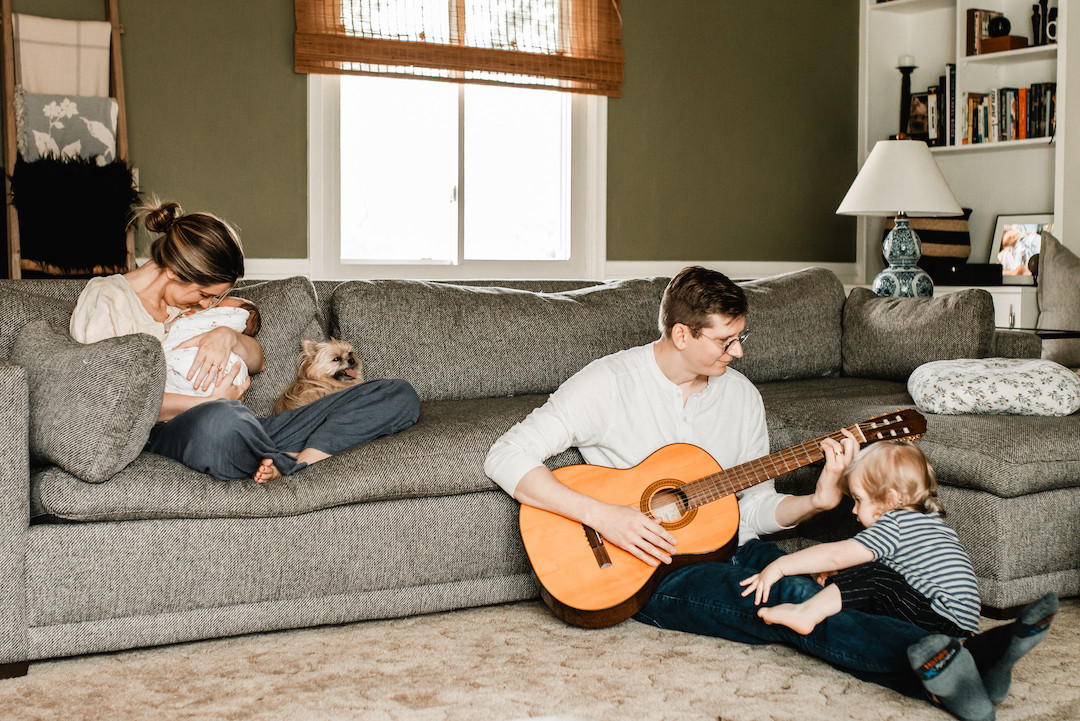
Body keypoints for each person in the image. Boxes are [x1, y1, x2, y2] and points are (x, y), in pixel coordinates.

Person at [485, 266, 1056, 721]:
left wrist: (817, 502)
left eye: (742, 338)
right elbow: (505, 455)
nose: (739, 354)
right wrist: (603, 515)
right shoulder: (607, 383)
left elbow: (752, 507)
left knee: (819, 593)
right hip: (646, 570)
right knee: (775, 611)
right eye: (727, 341)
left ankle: (956, 660)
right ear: (681, 334)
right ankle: (959, 666)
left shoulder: (740, 397)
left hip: (729, 543)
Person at [70, 199, 420, 483]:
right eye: (206, 294)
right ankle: (275, 453)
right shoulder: (107, 301)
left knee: (396, 393)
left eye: (215, 298)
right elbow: (109, 403)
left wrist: (227, 337)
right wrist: (207, 401)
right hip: (171, 431)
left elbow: (258, 361)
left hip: (245, 424)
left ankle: (303, 460)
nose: (209, 305)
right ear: (175, 271)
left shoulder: (197, 304)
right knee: (222, 422)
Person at [740, 441, 981, 639]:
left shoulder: (896, 523)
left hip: (942, 622)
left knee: (877, 578)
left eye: (858, 500)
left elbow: (836, 554)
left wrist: (780, 566)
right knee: (871, 571)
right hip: (954, 622)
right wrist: (843, 577)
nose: (854, 511)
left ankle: (806, 612)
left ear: (890, 499)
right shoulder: (927, 520)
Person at [163, 296, 261, 397]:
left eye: (216, 306)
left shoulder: (235, 320)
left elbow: (260, 363)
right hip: (195, 392)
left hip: (221, 383)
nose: (208, 306)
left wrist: (226, 333)